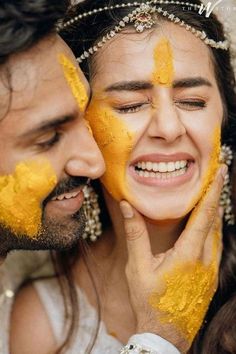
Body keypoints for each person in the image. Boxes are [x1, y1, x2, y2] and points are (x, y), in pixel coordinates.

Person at [10, 0, 236, 353]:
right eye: (130, 105)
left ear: (225, 121)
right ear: (77, 123)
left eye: (192, 101)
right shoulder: (43, 318)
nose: (168, 127)